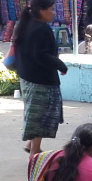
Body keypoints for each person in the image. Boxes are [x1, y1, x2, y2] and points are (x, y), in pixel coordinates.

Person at [14, 0, 68, 157]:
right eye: (51, 9)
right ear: (41, 11)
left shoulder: (27, 23)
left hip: (28, 77)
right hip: (39, 81)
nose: (54, 12)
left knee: (35, 114)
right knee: (40, 116)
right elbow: (41, 55)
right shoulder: (40, 29)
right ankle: (35, 152)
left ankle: (31, 144)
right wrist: (60, 65)